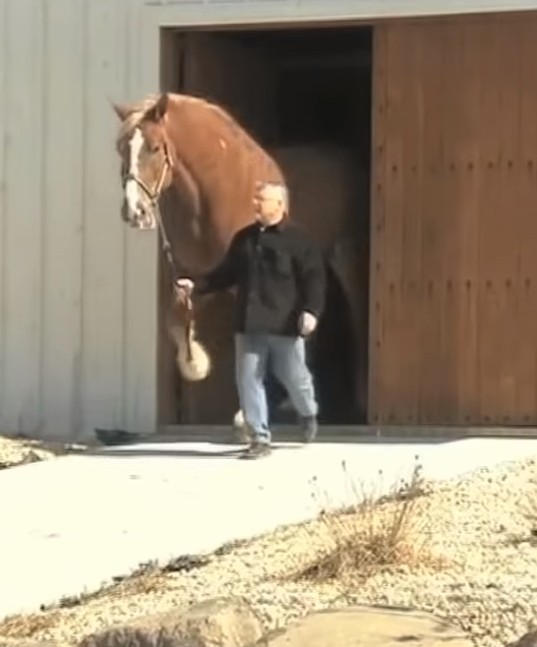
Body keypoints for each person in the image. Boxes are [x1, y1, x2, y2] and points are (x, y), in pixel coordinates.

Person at [176, 181, 326, 459]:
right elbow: (225, 274)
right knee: (248, 381)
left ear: (279, 205)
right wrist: (196, 286)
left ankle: (307, 412)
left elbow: (314, 279)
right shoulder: (244, 239)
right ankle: (259, 438)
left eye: (262, 199)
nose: (256, 204)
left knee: (295, 378)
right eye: (255, 199)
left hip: (285, 325)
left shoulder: (299, 240)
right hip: (249, 325)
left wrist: (311, 311)